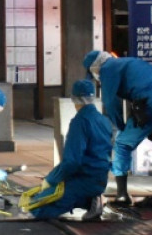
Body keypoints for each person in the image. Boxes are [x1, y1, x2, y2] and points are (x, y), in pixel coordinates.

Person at [83, 50, 152, 205]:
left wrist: (120, 126)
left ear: (94, 68)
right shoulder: (128, 62)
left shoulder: (107, 69)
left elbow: (110, 102)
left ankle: (122, 195)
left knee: (122, 144)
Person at [23, 80, 112, 220]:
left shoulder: (80, 122)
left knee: (37, 207)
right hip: (100, 180)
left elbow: (72, 162)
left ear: (75, 99)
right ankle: (93, 199)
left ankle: (89, 200)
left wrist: (51, 179)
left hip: (82, 181)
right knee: (58, 194)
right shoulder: (103, 120)